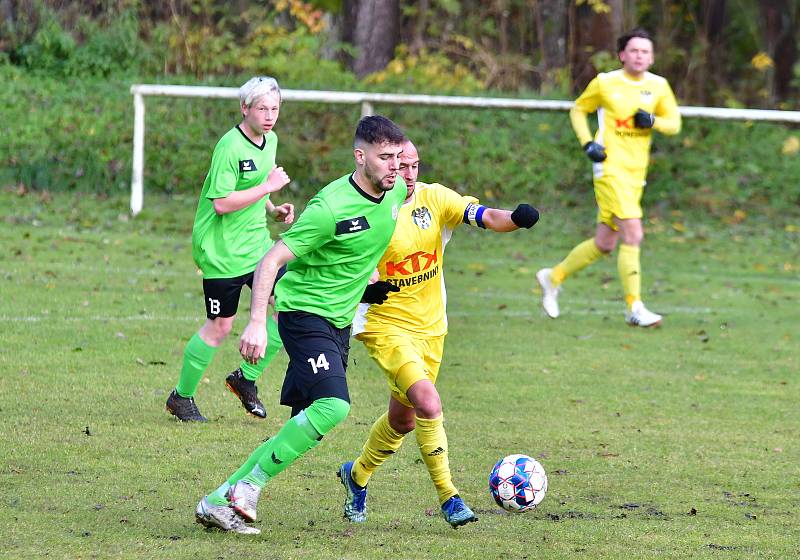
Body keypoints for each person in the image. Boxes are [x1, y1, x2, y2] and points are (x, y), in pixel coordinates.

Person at [194, 115, 408, 534]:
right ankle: (249, 487)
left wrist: (367, 282)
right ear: (360, 157)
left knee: (305, 422)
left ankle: (219, 500)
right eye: (385, 158)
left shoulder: (396, 189)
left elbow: (356, 251)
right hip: (303, 315)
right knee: (334, 406)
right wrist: (256, 322)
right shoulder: (329, 208)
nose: (395, 166)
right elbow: (271, 260)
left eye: (399, 158)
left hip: (338, 322)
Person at [337, 139, 540, 528]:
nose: (408, 173)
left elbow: (485, 216)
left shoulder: (435, 198)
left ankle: (356, 475)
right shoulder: (369, 207)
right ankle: (450, 497)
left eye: (414, 165)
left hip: (432, 329)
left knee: (404, 420)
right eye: (400, 164)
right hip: (384, 326)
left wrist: (516, 218)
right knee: (428, 401)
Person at [165, 76, 295, 422]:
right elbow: (222, 203)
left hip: (256, 246)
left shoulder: (271, 140)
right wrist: (267, 186)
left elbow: (255, 188)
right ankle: (182, 397)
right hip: (221, 252)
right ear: (244, 108)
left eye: (275, 108)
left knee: (290, 308)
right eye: (262, 108)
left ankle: (245, 379)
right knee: (221, 327)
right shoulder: (229, 147)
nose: (269, 115)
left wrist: (273, 207)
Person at [536, 28, 680, 327]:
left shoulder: (659, 86)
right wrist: (588, 143)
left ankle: (553, 277)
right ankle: (634, 308)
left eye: (645, 51)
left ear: (651, 58)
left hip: (636, 172)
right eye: (634, 50)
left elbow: (674, 123)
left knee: (604, 243)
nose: (639, 55)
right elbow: (578, 110)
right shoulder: (605, 82)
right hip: (608, 167)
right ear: (622, 55)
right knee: (634, 234)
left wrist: (653, 121)